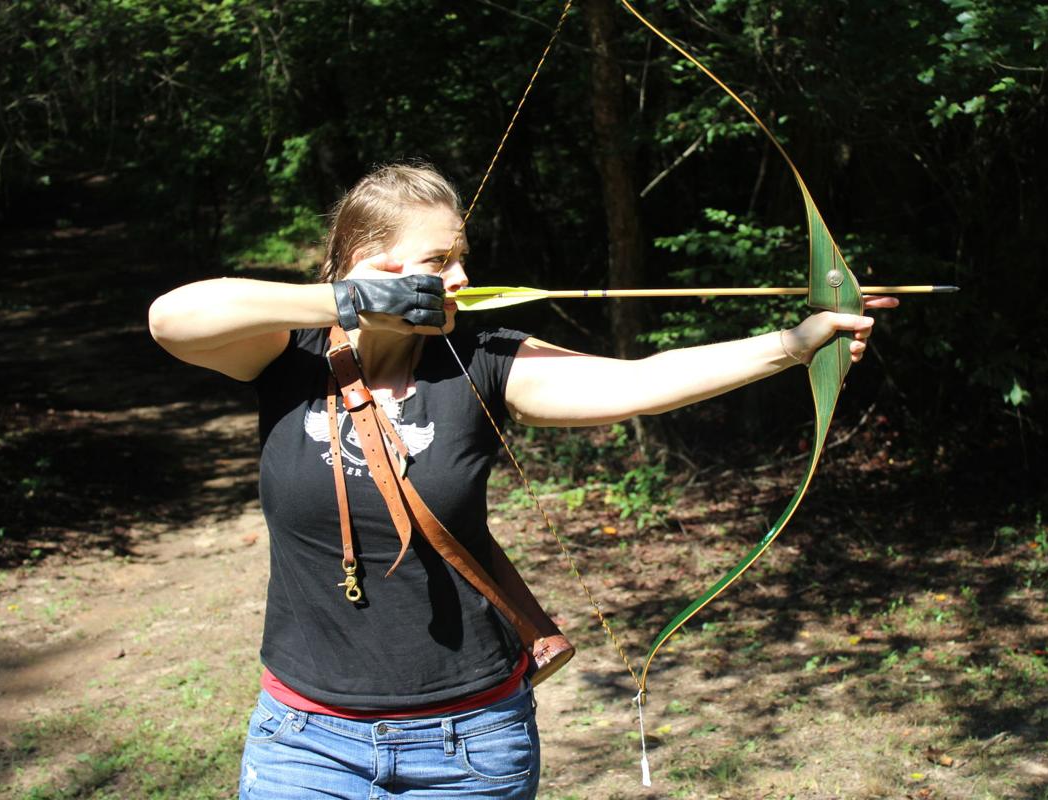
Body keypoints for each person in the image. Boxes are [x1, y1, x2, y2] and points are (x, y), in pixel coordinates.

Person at [148, 163, 895, 799]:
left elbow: (640, 380)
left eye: (461, 255)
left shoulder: (485, 358)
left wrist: (794, 345)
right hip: (302, 743)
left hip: (468, 746)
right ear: (371, 264)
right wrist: (351, 304)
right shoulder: (289, 352)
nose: (462, 276)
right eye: (438, 260)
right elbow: (172, 318)